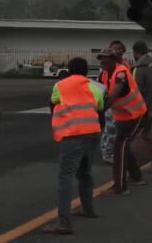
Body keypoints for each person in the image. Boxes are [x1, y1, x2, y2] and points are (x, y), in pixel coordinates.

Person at [41, 58, 104, 235]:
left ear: (69, 70)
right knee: (85, 172)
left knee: (65, 177)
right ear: (86, 71)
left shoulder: (61, 85)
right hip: (93, 132)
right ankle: (88, 208)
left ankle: (64, 222)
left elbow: (53, 103)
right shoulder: (95, 87)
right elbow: (99, 106)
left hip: (73, 134)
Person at [97, 48, 148, 195]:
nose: (102, 61)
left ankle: (120, 186)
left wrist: (98, 110)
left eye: (106, 58)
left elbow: (112, 96)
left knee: (119, 147)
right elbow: (100, 93)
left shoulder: (121, 73)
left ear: (114, 59)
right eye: (100, 58)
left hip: (135, 115)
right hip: (122, 116)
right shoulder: (104, 74)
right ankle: (136, 177)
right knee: (124, 145)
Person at [131, 41, 152, 173]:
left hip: (146, 105)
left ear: (135, 52)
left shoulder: (138, 69)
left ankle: (132, 168)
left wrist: (139, 110)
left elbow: (136, 92)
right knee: (146, 134)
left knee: (129, 136)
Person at [99, 40, 130, 164]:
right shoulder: (106, 68)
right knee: (110, 130)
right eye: (113, 48)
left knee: (117, 131)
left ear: (123, 50)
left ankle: (112, 152)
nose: (116, 51)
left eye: (119, 48)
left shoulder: (126, 66)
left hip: (123, 104)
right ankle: (108, 153)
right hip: (112, 103)